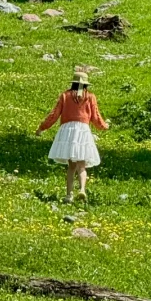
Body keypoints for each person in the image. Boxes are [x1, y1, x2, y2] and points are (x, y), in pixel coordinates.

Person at [37, 69, 109, 202]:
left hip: (67, 131)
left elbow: (54, 114)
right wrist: (104, 126)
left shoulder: (65, 96)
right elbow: (95, 116)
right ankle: (82, 189)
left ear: (73, 83)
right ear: (86, 84)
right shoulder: (90, 97)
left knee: (71, 167)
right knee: (82, 165)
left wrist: (42, 127)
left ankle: (69, 195)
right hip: (83, 131)